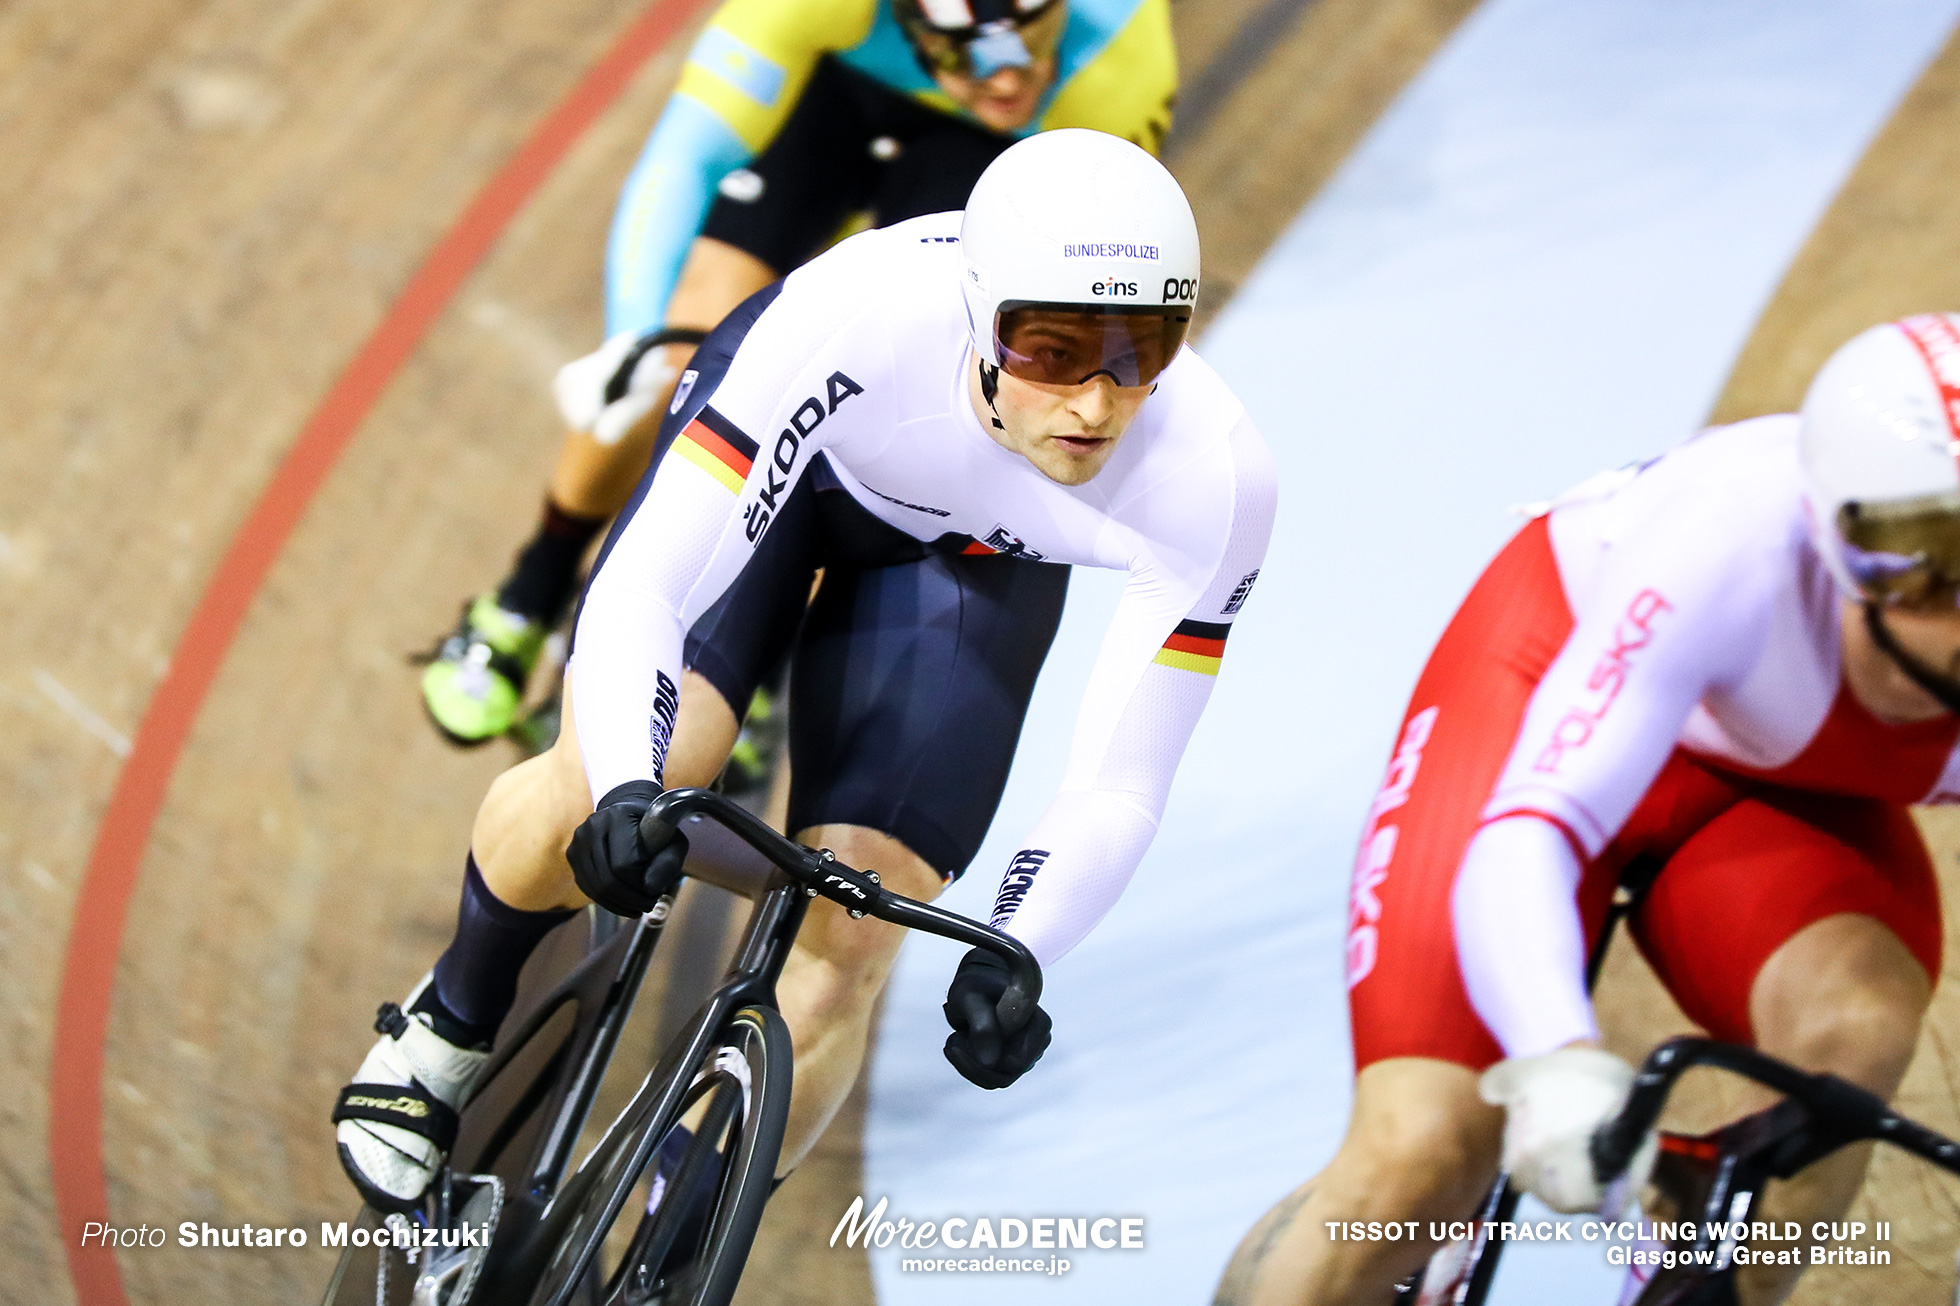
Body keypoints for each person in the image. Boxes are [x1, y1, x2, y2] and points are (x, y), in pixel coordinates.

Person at [335, 129, 1277, 1215]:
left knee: (863, 925)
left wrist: (1022, 943)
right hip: (802, 476)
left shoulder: (1214, 474)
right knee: (644, 753)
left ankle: (669, 1241)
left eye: (1141, 353)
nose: (1094, 405)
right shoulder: (855, 313)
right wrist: (627, 788)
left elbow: (1121, 779)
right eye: (1052, 352)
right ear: (980, 317)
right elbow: (640, 589)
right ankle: (449, 1026)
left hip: (974, 567)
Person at [1214, 315, 1960, 1306]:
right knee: (1418, 1157)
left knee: (1850, 1036)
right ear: (1834, 551)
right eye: (1927, 570)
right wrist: (1557, 1060)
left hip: (1768, 783)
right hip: (1547, 689)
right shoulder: (1727, 540)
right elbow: (1530, 829)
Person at [419, 0, 1178, 744]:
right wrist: (631, 338)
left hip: (995, 158)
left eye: (1028, 40)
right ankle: (530, 593)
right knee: (679, 357)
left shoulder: (1120, 53)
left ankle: (738, 665)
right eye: (959, 53)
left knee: (865, 415)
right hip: (839, 95)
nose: (1006, 78)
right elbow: (686, 153)